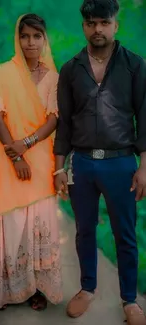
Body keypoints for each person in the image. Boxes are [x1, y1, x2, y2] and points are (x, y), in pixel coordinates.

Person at [53, 0, 146, 324]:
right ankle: (87, 288)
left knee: (125, 233)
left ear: (115, 25)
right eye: (91, 23)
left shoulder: (135, 65)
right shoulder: (70, 69)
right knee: (84, 231)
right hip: (82, 164)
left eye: (104, 23)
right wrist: (60, 167)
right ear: (84, 27)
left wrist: (144, 166)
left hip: (121, 163)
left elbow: (144, 118)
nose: (98, 29)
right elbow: (64, 122)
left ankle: (129, 300)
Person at [0, 13, 62, 310]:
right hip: (8, 159)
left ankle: (36, 288)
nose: (30, 42)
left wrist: (29, 144)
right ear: (17, 39)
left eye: (36, 36)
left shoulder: (54, 78)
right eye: (25, 36)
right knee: (12, 222)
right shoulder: (1, 73)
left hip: (41, 160)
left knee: (38, 223)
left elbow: (54, 118)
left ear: (45, 40)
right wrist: (17, 154)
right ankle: (8, 289)